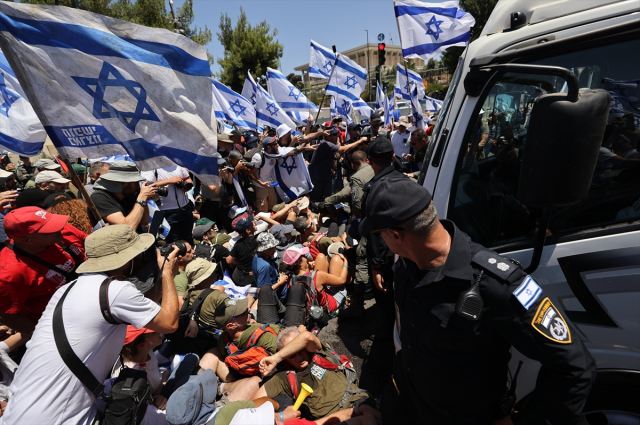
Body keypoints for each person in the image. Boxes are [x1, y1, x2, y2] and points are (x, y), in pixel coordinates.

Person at [360, 176, 597, 425]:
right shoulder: (407, 266)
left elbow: (575, 366)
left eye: (379, 235)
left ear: (395, 235)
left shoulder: (496, 285)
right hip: (409, 406)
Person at [0, 224, 182, 424]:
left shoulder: (70, 288)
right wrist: (167, 274)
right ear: (127, 258)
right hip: (56, 414)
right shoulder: (116, 292)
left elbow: (139, 307)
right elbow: (169, 323)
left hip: (23, 404)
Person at [254, 327, 380, 424]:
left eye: (300, 349)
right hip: (332, 420)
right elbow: (252, 403)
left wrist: (276, 358)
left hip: (357, 400)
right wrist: (279, 415)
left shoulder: (318, 352)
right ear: (286, 358)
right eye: (291, 354)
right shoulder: (283, 377)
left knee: (372, 417)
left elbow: (307, 336)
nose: (299, 357)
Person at [0, 207, 87, 334]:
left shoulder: (61, 232)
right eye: (49, 228)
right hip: (65, 324)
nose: (60, 227)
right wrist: (46, 335)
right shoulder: (10, 274)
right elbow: (8, 315)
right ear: (27, 240)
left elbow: (91, 244)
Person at [90, 160, 157, 232]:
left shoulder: (128, 196)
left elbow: (144, 221)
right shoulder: (99, 197)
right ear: (125, 183)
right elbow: (129, 227)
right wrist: (142, 197)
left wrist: (144, 199)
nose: (138, 187)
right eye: (136, 182)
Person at [308, 128, 367, 202]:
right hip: (316, 176)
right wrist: (360, 141)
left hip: (325, 174)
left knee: (327, 196)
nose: (337, 136)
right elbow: (343, 149)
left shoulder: (330, 144)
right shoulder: (326, 144)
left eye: (337, 134)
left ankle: (326, 211)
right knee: (314, 199)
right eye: (335, 135)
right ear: (328, 136)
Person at [141, 166, 194, 242]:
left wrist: (187, 185)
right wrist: (170, 181)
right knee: (173, 242)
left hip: (185, 209)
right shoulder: (151, 166)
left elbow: (187, 178)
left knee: (188, 239)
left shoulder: (176, 163)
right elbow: (146, 185)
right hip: (165, 212)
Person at [324, 150, 374, 218]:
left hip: (367, 216)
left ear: (353, 165)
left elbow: (357, 206)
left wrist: (334, 216)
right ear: (367, 160)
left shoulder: (356, 177)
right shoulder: (377, 169)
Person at [227, 213, 258, 287]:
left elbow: (229, 261)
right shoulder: (258, 239)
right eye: (251, 223)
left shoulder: (238, 243)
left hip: (238, 276)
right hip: (253, 278)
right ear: (248, 230)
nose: (253, 223)